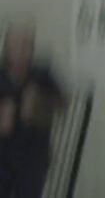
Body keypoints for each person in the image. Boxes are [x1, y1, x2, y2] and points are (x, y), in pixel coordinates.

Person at [0, 23, 63, 198]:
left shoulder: (42, 73)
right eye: (17, 45)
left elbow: (63, 104)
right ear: (7, 48)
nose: (22, 51)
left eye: (27, 45)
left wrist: (40, 104)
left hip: (33, 156)